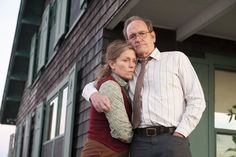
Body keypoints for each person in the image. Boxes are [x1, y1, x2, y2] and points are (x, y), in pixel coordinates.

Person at [82, 16, 206, 157]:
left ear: (152, 36)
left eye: (142, 33)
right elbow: (94, 84)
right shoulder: (129, 69)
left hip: (172, 139)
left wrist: (181, 132)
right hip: (139, 143)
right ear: (128, 42)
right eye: (132, 36)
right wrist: (93, 95)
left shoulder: (176, 59)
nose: (138, 38)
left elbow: (197, 100)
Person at [80, 40, 136, 157]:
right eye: (126, 60)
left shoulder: (120, 85)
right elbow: (123, 132)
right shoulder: (110, 85)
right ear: (112, 64)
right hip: (103, 152)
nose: (132, 65)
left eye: (134, 61)